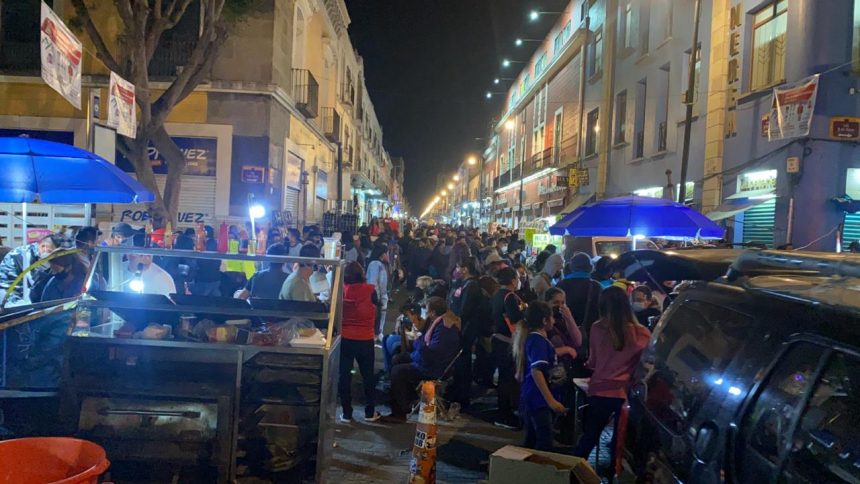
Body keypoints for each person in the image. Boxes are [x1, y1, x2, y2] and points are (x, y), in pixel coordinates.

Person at [573, 286, 651, 472]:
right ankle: (612, 474)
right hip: (625, 395)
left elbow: (592, 362)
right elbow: (645, 365)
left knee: (589, 437)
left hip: (599, 390)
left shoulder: (597, 328)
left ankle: (572, 472)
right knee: (620, 443)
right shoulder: (642, 333)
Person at [382, 296, 460, 423]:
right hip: (429, 360)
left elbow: (430, 354)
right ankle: (405, 399)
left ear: (433, 312)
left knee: (398, 371)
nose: (426, 313)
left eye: (427, 310)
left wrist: (417, 339)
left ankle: (399, 413)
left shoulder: (444, 329)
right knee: (398, 358)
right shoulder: (439, 323)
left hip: (432, 367)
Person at [514, 301, 567, 451]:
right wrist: (551, 401)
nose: (554, 321)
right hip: (539, 399)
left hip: (534, 396)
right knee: (544, 442)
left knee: (532, 440)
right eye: (552, 317)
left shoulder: (533, 338)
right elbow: (536, 371)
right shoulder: (538, 340)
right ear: (544, 320)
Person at [338, 262, 382, 423]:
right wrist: (375, 330)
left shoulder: (342, 290)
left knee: (344, 375)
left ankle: (346, 413)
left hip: (345, 338)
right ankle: (369, 412)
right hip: (365, 338)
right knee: (368, 376)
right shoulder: (371, 290)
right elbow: (377, 311)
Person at [450, 256, 491, 406]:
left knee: (463, 361)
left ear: (465, 269)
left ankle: (463, 395)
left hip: (467, 330)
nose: (456, 270)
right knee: (462, 361)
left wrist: (456, 323)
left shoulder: (471, 286)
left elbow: (464, 311)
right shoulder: (466, 284)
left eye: (458, 267)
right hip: (465, 328)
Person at [491, 267, 525, 429]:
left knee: (504, 377)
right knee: (507, 378)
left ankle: (504, 410)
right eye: (517, 278)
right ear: (512, 280)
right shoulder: (509, 296)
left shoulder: (497, 295)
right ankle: (504, 414)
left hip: (498, 339)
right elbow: (515, 318)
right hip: (507, 341)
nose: (519, 280)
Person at [0, 233, 64, 305]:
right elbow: (33, 284)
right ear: (43, 247)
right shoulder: (24, 254)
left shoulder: (39, 255)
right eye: (53, 254)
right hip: (9, 294)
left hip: (25, 292)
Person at [556, 253, 602, 340]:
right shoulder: (597, 286)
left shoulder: (560, 286)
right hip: (591, 334)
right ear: (590, 267)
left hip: (565, 333)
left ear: (571, 267)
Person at [544, 287, 582, 358]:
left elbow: (578, 342)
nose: (560, 306)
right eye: (556, 302)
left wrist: (569, 318)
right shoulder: (543, 322)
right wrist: (566, 350)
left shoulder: (563, 320)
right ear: (546, 303)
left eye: (562, 303)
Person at [366, 243, 390, 337]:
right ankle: (377, 334)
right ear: (382, 254)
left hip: (379, 295)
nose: (388, 255)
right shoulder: (376, 264)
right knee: (378, 317)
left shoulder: (378, 264)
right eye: (387, 253)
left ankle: (378, 333)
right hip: (377, 296)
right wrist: (377, 297)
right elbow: (373, 282)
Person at [191, 228, 221, 296]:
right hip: (215, 277)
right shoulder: (214, 243)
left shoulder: (208, 245)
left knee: (201, 299)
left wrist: (195, 260)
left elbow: (204, 261)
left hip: (205, 278)